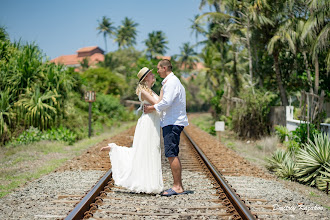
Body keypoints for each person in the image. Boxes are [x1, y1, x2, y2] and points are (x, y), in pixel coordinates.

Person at [100, 67, 164, 194]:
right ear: (146, 77)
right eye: (151, 74)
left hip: (153, 123)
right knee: (144, 151)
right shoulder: (143, 92)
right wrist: (163, 90)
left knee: (152, 150)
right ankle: (114, 149)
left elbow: (158, 106)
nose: (153, 76)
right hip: (148, 123)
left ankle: (151, 183)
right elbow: (158, 104)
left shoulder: (150, 91)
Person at [144, 59, 189, 196]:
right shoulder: (171, 82)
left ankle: (177, 187)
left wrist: (151, 108)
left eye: (158, 68)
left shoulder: (172, 82)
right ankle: (177, 185)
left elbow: (166, 102)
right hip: (171, 121)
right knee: (171, 153)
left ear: (164, 68)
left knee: (171, 154)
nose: (157, 71)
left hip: (172, 121)